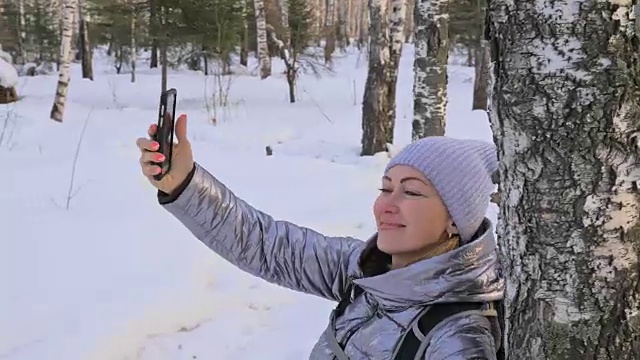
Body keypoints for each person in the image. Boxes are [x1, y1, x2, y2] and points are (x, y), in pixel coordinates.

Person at [136, 114, 505, 360]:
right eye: (385, 187)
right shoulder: (367, 271)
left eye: (411, 193)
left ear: (455, 220)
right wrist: (184, 183)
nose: (386, 206)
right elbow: (265, 244)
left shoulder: (459, 334)